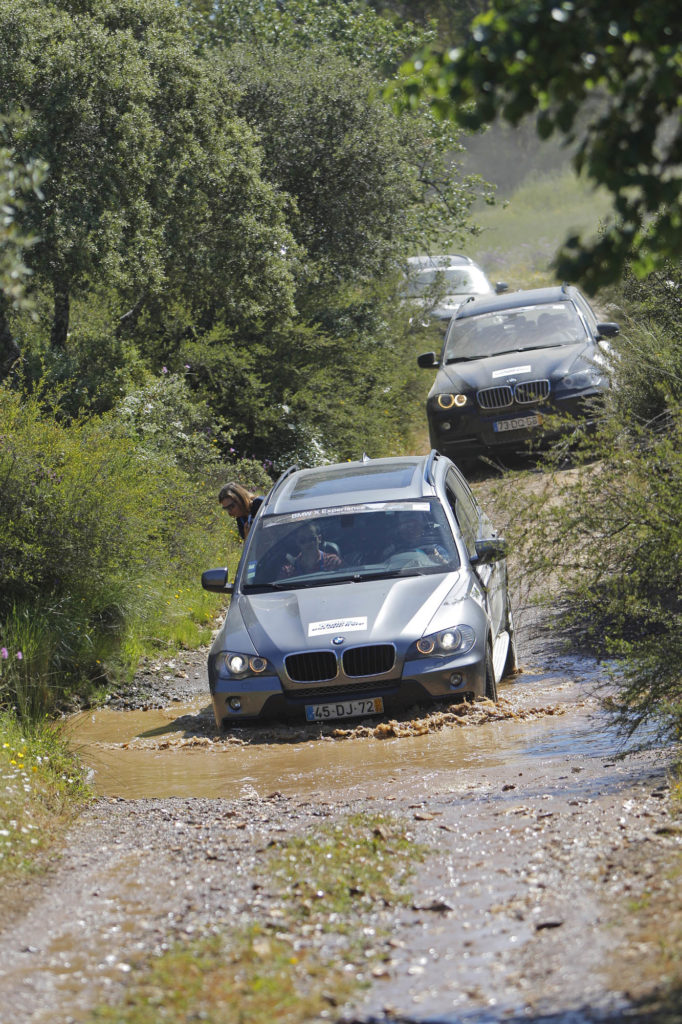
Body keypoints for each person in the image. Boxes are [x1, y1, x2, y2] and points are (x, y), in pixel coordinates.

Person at [278, 523, 343, 577]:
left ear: (319, 539)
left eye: (312, 538)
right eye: (303, 540)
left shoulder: (332, 562)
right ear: (297, 542)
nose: (308, 543)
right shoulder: (288, 570)